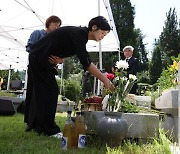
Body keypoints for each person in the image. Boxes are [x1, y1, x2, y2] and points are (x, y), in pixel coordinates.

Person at [27, 16, 115, 138]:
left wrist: (60, 58)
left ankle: (36, 126)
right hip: (40, 57)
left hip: (39, 57)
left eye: (104, 35)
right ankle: (49, 130)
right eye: (102, 33)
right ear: (94, 27)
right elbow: (86, 62)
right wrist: (105, 80)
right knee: (50, 92)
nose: (102, 37)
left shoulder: (80, 36)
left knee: (42, 92)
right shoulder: (79, 34)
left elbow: (62, 45)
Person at [24, 15, 64, 130]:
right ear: (48, 23)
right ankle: (30, 122)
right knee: (33, 94)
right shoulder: (38, 33)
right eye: (55, 24)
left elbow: (61, 57)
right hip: (35, 68)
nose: (56, 27)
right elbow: (29, 48)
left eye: (58, 26)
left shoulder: (55, 39)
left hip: (47, 70)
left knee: (45, 95)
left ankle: (42, 120)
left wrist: (59, 60)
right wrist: (43, 55)